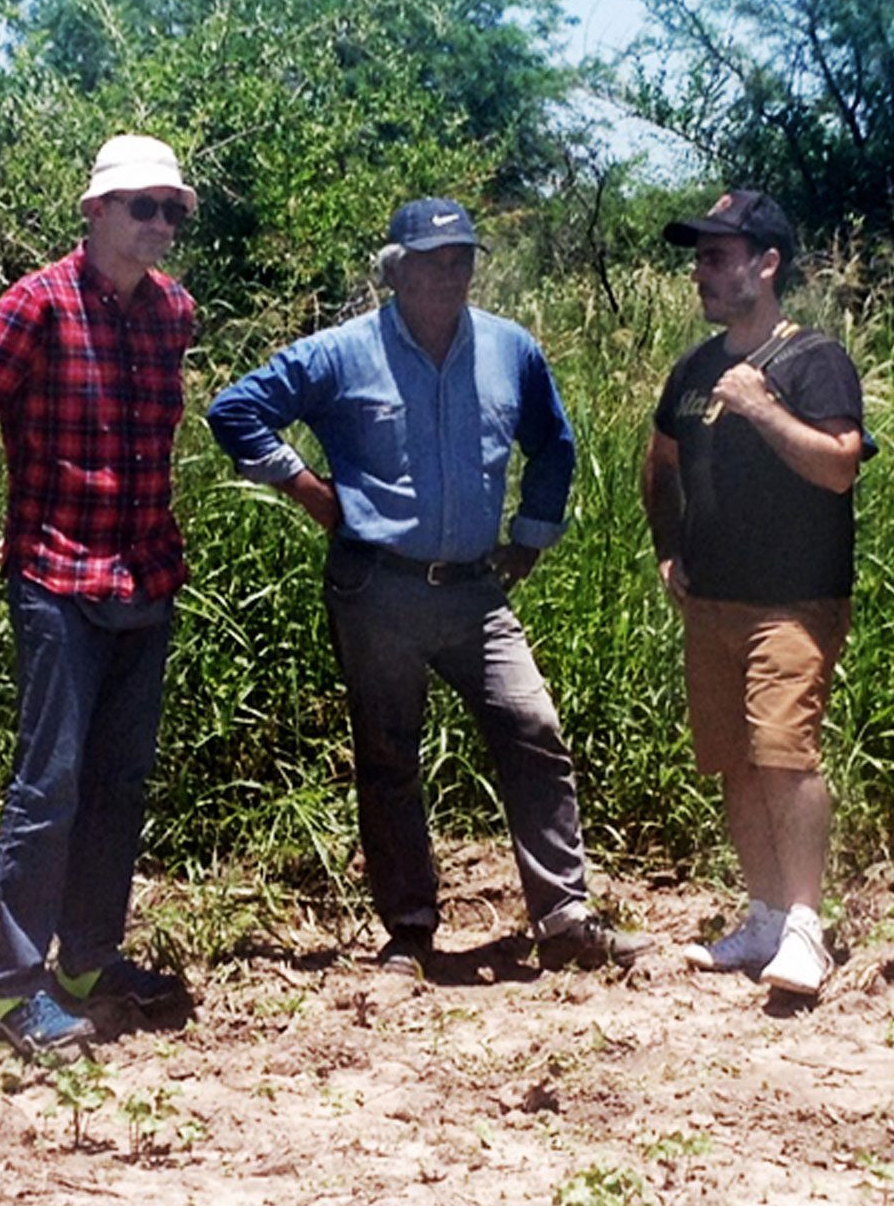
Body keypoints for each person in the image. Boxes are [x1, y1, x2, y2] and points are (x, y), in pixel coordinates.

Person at [207, 198, 650, 978]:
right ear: (397, 268)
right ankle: (408, 933)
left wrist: (532, 538)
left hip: (476, 594)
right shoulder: (344, 353)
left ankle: (564, 917)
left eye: (462, 259)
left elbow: (554, 445)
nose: (449, 274)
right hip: (376, 587)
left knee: (532, 730)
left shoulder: (510, 349)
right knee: (388, 759)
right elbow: (236, 411)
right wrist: (309, 490)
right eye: (431, 261)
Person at [0, 134, 202, 1055]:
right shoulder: (36, 306)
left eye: (172, 210)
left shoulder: (173, 314)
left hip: (144, 577)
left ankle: (87, 961)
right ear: (96, 212)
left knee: (118, 785)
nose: (159, 224)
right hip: (56, 577)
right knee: (51, 786)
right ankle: (11, 988)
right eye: (141, 206)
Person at [640, 191, 871, 996]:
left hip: (795, 599)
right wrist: (669, 550)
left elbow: (838, 465)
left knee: (784, 755)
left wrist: (763, 408)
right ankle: (766, 916)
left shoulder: (814, 360)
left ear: (766, 264)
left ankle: (807, 927)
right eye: (698, 257)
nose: (701, 271)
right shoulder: (694, 369)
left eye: (717, 256)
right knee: (735, 760)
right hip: (713, 600)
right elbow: (660, 465)